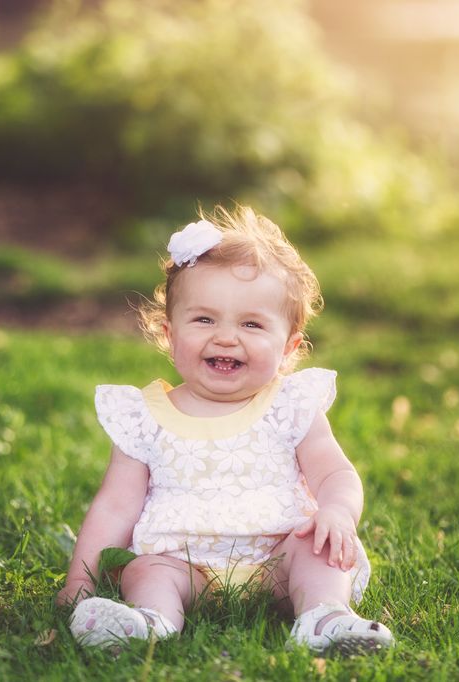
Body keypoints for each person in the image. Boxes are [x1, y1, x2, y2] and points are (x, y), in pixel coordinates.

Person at [55, 206, 393, 655]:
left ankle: (324, 616)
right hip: (183, 566)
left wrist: (337, 511)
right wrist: (79, 580)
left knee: (317, 550)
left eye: (251, 324)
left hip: (278, 560)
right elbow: (114, 507)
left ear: (289, 347)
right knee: (146, 570)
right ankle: (149, 623)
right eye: (204, 320)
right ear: (169, 333)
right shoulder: (145, 416)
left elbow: (335, 474)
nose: (226, 337)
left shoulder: (291, 406)